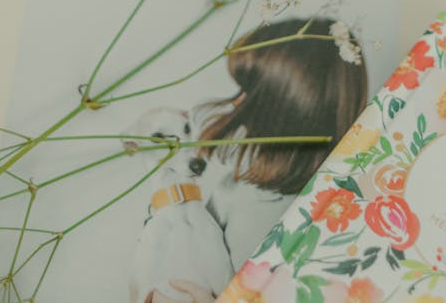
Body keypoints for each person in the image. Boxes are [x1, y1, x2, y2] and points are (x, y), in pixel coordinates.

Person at [148, 17, 368, 302]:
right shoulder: (234, 191)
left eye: (248, 92)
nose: (236, 104)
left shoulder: (343, 219)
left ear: (288, 105)